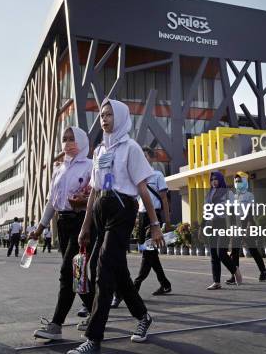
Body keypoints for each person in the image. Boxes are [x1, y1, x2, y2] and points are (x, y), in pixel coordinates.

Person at [68, 99, 164, 354]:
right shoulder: (99, 151)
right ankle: (143, 316)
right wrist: (85, 225)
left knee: (103, 271)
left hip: (123, 210)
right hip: (101, 208)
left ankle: (94, 338)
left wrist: (154, 224)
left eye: (109, 114)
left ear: (120, 117)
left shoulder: (131, 148)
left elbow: (143, 189)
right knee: (116, 271)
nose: (104, 119)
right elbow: (94, 191)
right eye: (101, 115)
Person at [31, 126, 95, 340]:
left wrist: (83, 202)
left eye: (72, 139)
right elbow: (51, 201)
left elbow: (96, 197)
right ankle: (96, 313)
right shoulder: (58, 169)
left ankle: (56, 324)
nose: (67, 143)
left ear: (82, 141)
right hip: (63, 225)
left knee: (68, 272)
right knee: (77, 274)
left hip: (82, 223)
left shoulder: (90, 166)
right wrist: (40, 228)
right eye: (64, 139)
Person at [111, 146, 172, 309]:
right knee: (149, 253)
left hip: (155, 217)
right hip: (142, 216)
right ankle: (165, 283)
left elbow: (164, 199)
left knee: (148, 254)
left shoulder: (157, 175)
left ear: (151, 159)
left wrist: (166, 221)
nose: (142, 160)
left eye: (145, 157)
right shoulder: (136, 178)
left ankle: (133, 287)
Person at [228, 171, 266, 283]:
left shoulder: (250, 195)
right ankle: (235, 275)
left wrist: (249, 226)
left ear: (245, 181)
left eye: (239, 181)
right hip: (236, 225)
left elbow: (250, 212)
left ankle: (263, 271)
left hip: (247, 224)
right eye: (236, 181)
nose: (237, 183)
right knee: (234, 252)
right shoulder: (233, 196)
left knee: (253, 250)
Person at [205, 171, 241, 290]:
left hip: (223, 224)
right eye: (212, 180)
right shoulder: (209, 193)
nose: (213, 181)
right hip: (211, 225)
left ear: (220, 179)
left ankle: (234, 270)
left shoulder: (227, 193)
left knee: (221, 252)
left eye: (216, 179)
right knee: (214, 255)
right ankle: (216, 282)